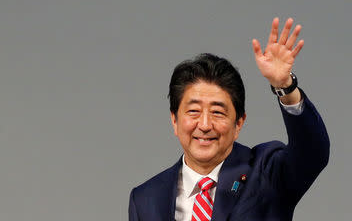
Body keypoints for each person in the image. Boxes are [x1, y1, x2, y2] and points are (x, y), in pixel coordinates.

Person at [128, 17, 330, 221]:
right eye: (194, 111)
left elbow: (312, 154)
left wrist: (285, 86)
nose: (205, 125)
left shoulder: (266, 173)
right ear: (174, 120)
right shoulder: (147, 199)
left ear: (239, 123)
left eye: (217, 112)